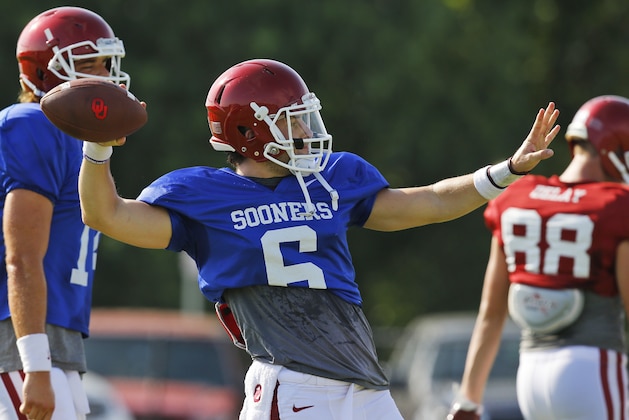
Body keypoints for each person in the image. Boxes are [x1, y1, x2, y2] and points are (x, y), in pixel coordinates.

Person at [78, 58, 559, 420]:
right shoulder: (202, 195)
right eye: (291, 119)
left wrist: (507, 171)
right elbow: (107, 215)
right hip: (292, 384)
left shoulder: (330, 178)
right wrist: (97, 150)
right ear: (249, 130)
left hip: (366, 385)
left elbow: (430, 202)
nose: (306, 129)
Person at [448, 95, 629, 420]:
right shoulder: (617, 206)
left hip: (531, 376)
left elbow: (491, 313)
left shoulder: (518, 197)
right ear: (613, 150)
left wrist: (468, 399)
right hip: (593, 369)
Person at [0, 7, 129, 420]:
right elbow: (20, 257)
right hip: (22, 343)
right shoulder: (32, 125)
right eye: (90, 64)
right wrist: (34, 363)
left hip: (59, 343)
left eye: (108, 64)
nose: (105, 75)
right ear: (44, 73)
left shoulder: (83, 142)